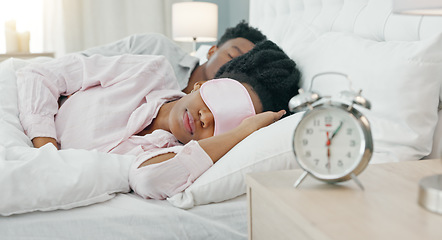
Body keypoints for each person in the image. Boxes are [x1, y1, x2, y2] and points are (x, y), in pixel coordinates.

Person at [17, 40, 300, 200]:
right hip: (18, 115)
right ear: (201, 86)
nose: (206, 118)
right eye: (218, 100)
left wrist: (241, 134)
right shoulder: (149, 71)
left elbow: (149, 179)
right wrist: (46, 151)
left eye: (224, 124)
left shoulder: (170, 155)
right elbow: (39, 75)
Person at [80, 20, 267, 94]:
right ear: (211, 51)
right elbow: (81, 64)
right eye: (232, 55)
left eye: (244, 66)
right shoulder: (156, 47)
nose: (235, 66)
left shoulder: (201, 117)